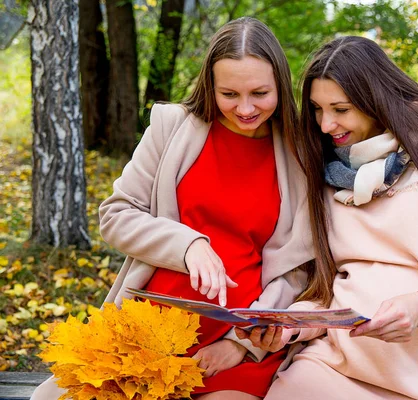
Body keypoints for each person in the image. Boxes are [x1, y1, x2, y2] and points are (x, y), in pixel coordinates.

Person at [30, 17, 312, 400]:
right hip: (145, 336)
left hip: (235, 347)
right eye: (229, 94)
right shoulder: (172, 127)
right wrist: (188, 244)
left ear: (281, 83)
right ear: (210, 86)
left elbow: (295, 270)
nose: (245, 108)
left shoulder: (299, 153)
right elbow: (116, 215)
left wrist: (241, 345)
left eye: (259, 93)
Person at [237, 36, 418, 399]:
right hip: (334, 364)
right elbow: (325, 289)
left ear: (375, 101)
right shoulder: (325, 170)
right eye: (318, 110)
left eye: (340, 109)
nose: (325, 124)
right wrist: (293, 325)